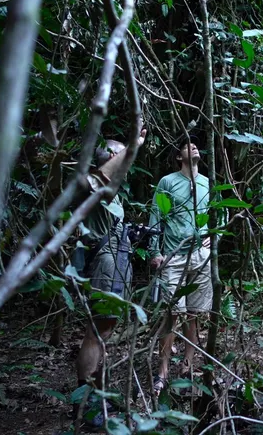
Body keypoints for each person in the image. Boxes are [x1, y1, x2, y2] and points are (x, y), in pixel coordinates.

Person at [72, 129, 146, 426]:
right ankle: (85, 404)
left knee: (105, 332)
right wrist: (133, 146)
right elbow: (101, 179)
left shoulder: (113, 196)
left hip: (117, 263)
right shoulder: (96, 187)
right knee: (97, 332)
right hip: (105, 266)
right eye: (119, 156)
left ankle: (98, 399)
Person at [148, 135, 212, 396]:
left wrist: (211, 234)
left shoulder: (207, 182)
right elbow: (156, 216)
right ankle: (163, 371)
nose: (193, 146)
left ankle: (187, 366)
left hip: (200, 255)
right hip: (173, 256)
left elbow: (215, 211)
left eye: (195, 144)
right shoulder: (168, 182)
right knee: (172, 314)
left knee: (195, 313)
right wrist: (155, 251)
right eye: (186, 145)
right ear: (178, 157)